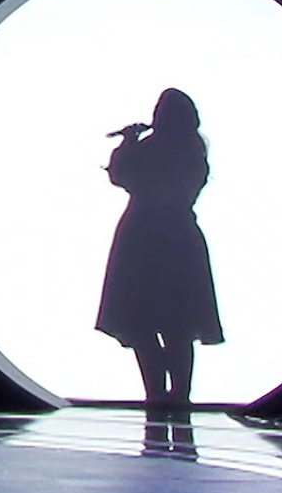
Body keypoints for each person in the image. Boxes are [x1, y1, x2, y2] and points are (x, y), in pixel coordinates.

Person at [95, 88, 223, 411]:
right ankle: (175, 395)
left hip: (144, 238)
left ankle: (161, 394)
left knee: (149, 320)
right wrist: (131, 144)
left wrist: (129, 143)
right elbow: (122, 176)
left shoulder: (172, 152)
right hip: (172, 238)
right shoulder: (192, 152)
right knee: (172, 323)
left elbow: (122, 176)